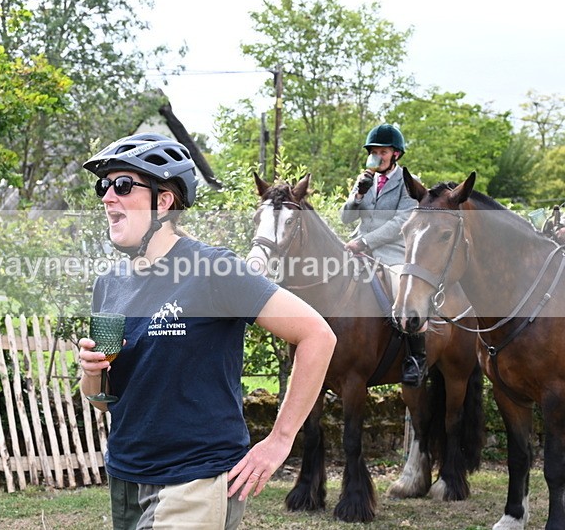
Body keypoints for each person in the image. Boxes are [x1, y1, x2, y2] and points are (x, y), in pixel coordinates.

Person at [78, 133, 336, 529]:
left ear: (163, 201)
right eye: (104, 186)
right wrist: (92, 372)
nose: (108, 197)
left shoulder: (214, 269)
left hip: (195, 478)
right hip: (126, 474)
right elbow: (102, 401)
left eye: (124, 185)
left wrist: (281, 438)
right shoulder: (109, 284)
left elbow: (318, 334)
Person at [340, 123, 428, 387]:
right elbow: (345, 218)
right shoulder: (364, 181)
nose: (377, 155)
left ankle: (416, 358)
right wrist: (357, 194)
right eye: (374, 151)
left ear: (396, 155)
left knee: (404, 290)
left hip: (392, 253)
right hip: (356, 250)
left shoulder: (408, 184)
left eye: (383, 151)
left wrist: (365, 242)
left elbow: (401, 222)